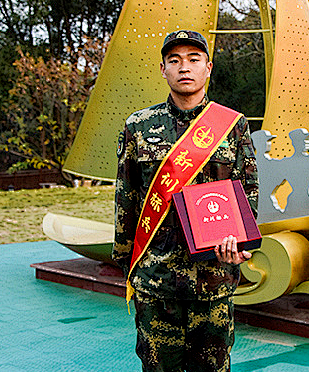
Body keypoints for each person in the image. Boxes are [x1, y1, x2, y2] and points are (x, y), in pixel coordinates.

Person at [113, 30, 259, 372]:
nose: (185, 68)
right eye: (175, 61)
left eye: (194, 60)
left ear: (208, 68)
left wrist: (239, 243)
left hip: (214, 278)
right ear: (163, 69)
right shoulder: (139, 125)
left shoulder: (232, 125)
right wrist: (128, 265)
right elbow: (126, 198)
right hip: (156, 280)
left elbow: (247, 191)